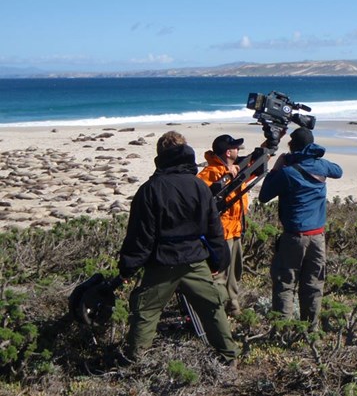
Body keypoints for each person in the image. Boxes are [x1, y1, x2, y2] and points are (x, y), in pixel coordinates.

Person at [118, 131, 239, 364]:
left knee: (146, 313)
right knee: (212, 310)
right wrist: (218, 261)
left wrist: (128, 268)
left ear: (160, 155)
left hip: (162, 263)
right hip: (195, 260)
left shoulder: (150, 189)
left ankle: (137, 361)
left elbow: (140, 237)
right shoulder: (199, 186)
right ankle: (229, 357)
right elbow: (214, 229)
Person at [258, 127, 343, 331]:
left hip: (294, 237)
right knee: (313, 284)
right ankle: (310, 330)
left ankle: (282, 332)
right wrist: (316, 159)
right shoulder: (321, 167)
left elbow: (263, 197)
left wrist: (277, 168)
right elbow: (338, 171)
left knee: (285, 283)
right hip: (317, 238)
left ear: (291, 146)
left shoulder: (287, 172)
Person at [197, 134, 250, 316]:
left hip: (235, 230)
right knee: (220, 274)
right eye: (235, 148)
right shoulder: (209, 174)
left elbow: (255, 167)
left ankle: (233, 306)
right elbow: (203, 200)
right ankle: (216, 312)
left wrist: (269, 145)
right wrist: (225, 179)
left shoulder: (235, 169)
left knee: (235, 271)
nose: (238, 150)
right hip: (220, 232)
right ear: (228, 152)